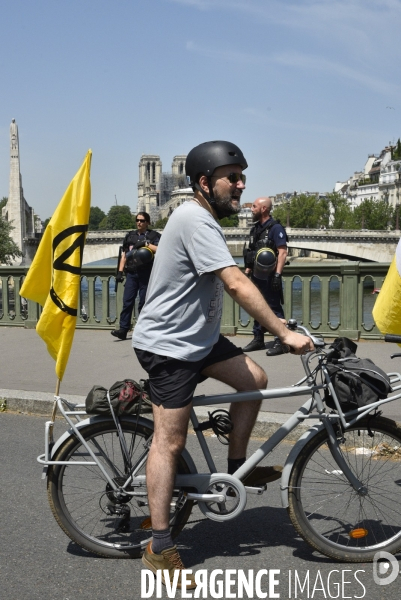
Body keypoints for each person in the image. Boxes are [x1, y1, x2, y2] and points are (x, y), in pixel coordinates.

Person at [132, 141, 313, 587]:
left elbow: (235, 281)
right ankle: (159, 547)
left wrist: (281, 320)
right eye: (232, 177)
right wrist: (282, 333)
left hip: (200, 341)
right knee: (168, 443)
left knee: (255, 380)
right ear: (203, 183)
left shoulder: (205, 218)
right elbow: (234, 282)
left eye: (241, 177)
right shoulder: (194, 219)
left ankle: (235, 468)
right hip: (170, 346)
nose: (241, 185)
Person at [243, 197, 288, 356]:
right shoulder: (255, 229)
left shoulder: (276, 228)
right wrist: (247, 272)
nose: (251, 209)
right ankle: (258, 338)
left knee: (274, 307)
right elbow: (251, 252)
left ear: (263, 209)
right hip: (256, 275)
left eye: (254, 206)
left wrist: (277, 275)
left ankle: (281, 341)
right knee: (256, 306)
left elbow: (282, 253)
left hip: (270, 277)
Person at [111, 212, 160, 340]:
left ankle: (143, 329)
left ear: (148, 222)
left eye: (142, 220)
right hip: (132, 273)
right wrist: (120, 272)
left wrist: (146, 244)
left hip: (146, 273)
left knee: (143, 303)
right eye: (137, 220)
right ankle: (123, 329)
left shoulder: (154, 236)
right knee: (127, 301)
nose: (139, 222)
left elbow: (161, 250)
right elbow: (124, 255)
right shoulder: (130, 236)